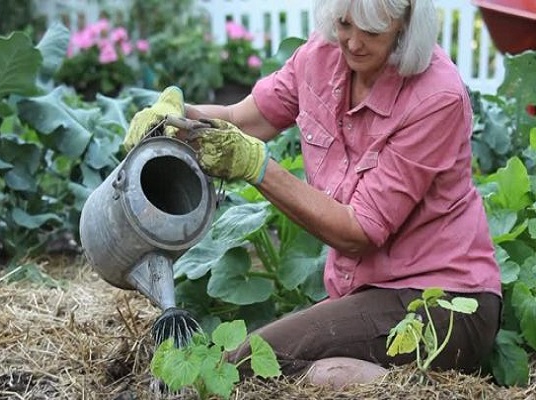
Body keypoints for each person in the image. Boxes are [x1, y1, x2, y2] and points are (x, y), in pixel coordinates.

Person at [123, 0, 502, 389]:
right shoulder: (321, 57)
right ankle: (371, 382)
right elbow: (242, 119)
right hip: (367, 296)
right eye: (344, 24)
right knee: (287, 364)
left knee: (254, 363)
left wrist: (258, 168)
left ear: (405, 27)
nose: (353, 43)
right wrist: (177, 116)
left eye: (372, 32)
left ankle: (410, 391)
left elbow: (358, 232)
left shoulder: (436, 97)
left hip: (445, 304)